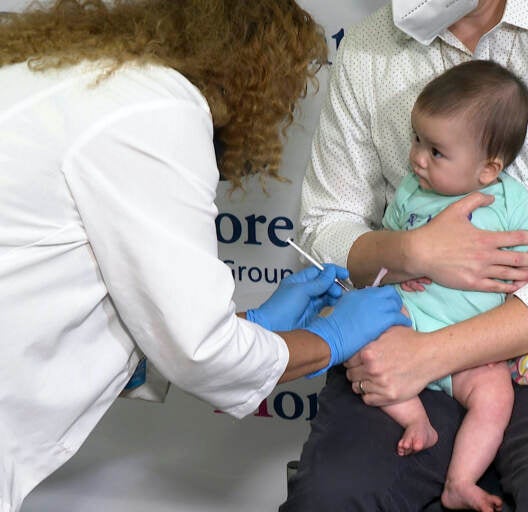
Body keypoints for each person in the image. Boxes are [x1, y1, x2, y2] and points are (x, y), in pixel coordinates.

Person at [0, 2, 410, 511]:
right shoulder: (155, 110)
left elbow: (102, 288)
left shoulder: (83, 82)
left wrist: (251, 325)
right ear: (256, 71)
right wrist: (328, 339)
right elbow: (200, 351)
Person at [282, 0, 528, 510]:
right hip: (412, 316)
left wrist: (433, 355)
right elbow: (325, 225)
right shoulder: (369, 48)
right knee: (332, 497)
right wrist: (413, 250)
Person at [379, 60, 528, 512]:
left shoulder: (508, 199)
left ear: (488, 171)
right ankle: (415, 418)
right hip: (407, 323)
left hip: (473, 348)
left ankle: (461, 480)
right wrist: (402, 263)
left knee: (496, 396)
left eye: (436, 151)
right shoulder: (410, 192)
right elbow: (391, 243)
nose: (417, 157)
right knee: (363, 344)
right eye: (417, 139)